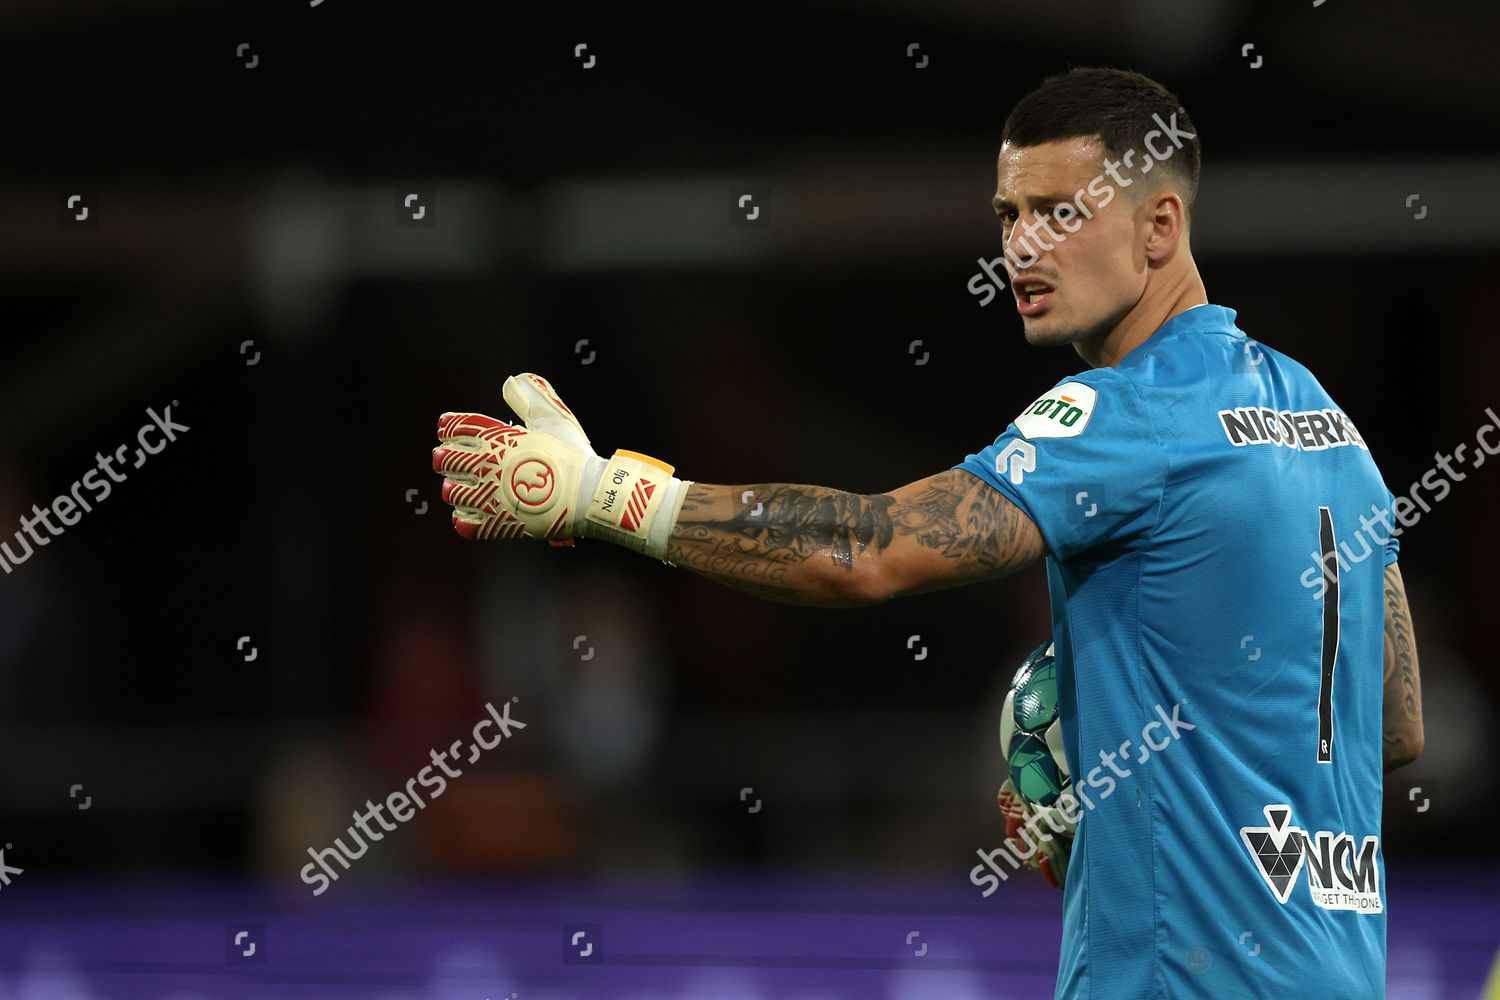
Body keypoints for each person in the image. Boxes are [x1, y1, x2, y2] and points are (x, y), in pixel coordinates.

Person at [432, 67, 1424, 999]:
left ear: (1159, 224)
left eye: (1058, 213)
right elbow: (1396, 724)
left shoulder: (1126, 415)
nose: (1021, 248)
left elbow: (870, 549)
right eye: (1009, 215)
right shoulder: (1329, 424)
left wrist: (608, 494)